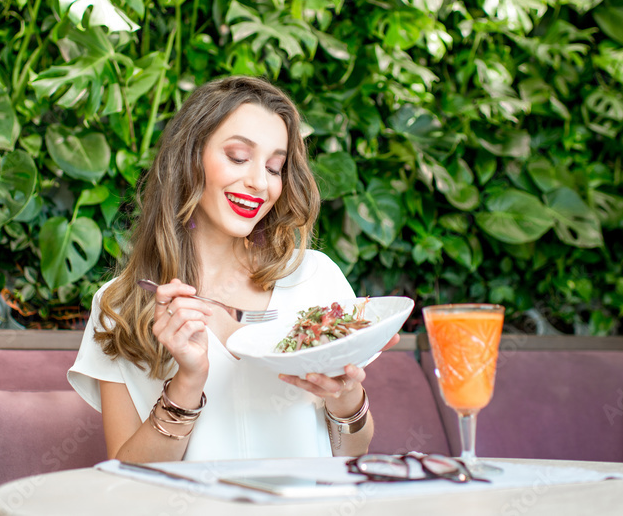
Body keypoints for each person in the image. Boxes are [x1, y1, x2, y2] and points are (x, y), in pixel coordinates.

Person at [68, 75, 396, 463]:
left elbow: (352, 454)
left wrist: (345, 397)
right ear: (189, 157)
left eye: (275, 167)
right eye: (238, 157)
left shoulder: (314, 279)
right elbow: (128, 485)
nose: (259, 182)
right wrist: (186, 383)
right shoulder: (122, 305)